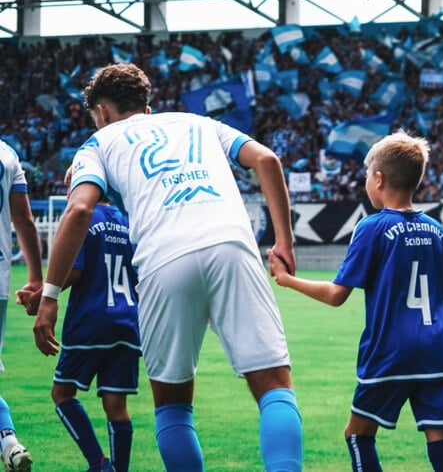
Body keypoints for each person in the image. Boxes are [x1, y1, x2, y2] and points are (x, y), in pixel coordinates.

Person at [32, 63, 303, 472]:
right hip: (230, 244)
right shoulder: (198, 122)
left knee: (174, 406)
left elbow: (80, 207)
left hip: (162, 260)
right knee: (274, 388)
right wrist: (283, 241)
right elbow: (266, 160)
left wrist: (49, 296)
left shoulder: (98, 141)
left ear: (101, 111)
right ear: (146, 103)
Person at [270, 130, 443, 472]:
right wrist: (433, 337)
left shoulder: (372, 227)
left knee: (358, 435)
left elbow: (337, 295)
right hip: (439, 352)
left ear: (378, 179)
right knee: (441, 441)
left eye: (366, 176)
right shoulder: (437, 230)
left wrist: (286, 280)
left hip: (389, 354)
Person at [21, 200, 138, 472]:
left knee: (62, 392)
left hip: (90, 320)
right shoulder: (126, 220)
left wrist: (40, 298)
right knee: (116, 404)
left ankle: (98, 464)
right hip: (127, 320)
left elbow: (74, 269)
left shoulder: (82, 216)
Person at [0, 139, 44, 472]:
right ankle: (9, 442)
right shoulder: (7, 153)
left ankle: (8, 441)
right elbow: (24, 221)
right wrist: (36, 279)